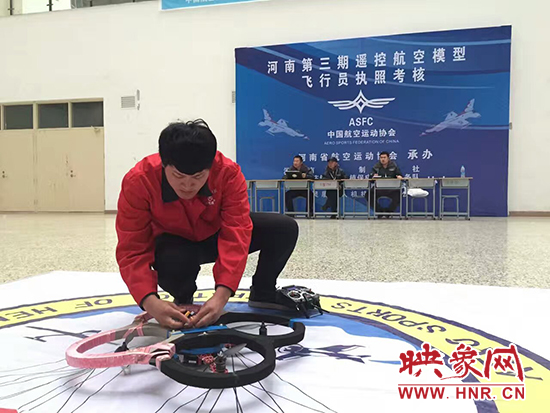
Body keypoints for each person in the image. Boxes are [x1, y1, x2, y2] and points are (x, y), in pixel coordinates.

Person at [116, 120, 299, 330]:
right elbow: (132, 247)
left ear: (210, 167)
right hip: (174, 244)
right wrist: (149, 301)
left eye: (198, 176)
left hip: (215, 235)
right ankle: (183, 299)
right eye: (178, 176)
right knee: (173, 260)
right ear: (164, 164)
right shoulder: (139, 181)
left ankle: (263, 292)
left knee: (283, 228)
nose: (188, 185)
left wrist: (222, 296)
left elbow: (236, 231)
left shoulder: (228, 173)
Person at [367, 151, 403, 216]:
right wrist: (373, 177)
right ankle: (379, 211)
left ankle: (389, 212)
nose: (383, 159)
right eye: (381, 158)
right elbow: (371, 180)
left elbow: (399, 175)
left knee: (399, 194)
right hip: (379, 189)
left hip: (391, 189)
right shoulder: (376, 167)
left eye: (384, 157)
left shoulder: (394, 166)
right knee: (368, 194)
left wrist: (399, 177)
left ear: (388, 158)